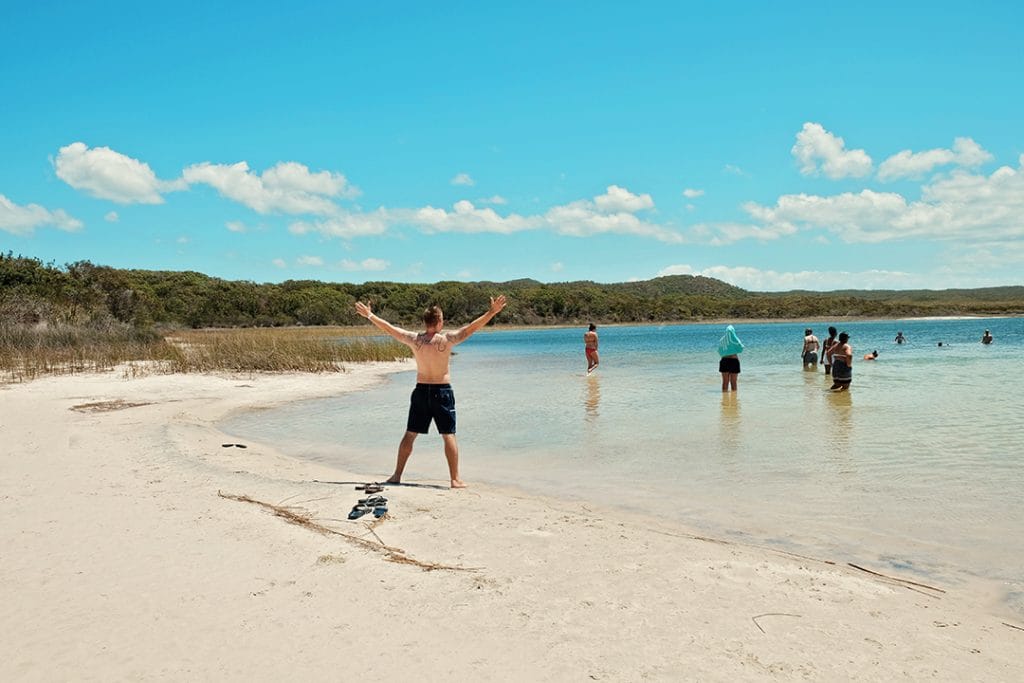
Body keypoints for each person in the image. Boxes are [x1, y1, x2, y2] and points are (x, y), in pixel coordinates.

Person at [354, 295, 507, 488]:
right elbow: (471, 328)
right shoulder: (447, 340)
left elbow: (389, 328)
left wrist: (370, 315)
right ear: (440, 321)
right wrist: (492, 312)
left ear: (425, 322)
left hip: (421, 391)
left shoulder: (414, 340)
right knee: (448, 434)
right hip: (442, 392)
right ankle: (454, 479)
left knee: (410, 434)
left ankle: (396, 475)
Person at [718, 324, 744, 392]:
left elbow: (719, 351)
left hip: (724, 360)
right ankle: (734, 400)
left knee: (725, 382)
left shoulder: (722, 340)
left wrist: (726, 353)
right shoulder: (734, 338)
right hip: (734, 361)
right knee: (734, 382)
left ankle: (724, 399)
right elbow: (741, 348)